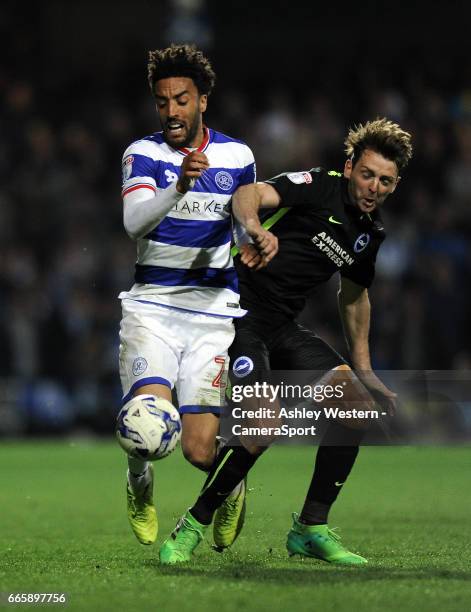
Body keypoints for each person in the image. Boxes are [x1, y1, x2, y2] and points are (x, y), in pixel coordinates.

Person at [159, 117, 413, 565]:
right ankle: (192, 525)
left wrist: (366, 371)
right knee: (263, 424)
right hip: (236, 313)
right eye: (368, 174)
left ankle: (310, 528)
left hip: (281, 326)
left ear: (395, 185)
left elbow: (354, 298)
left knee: (354, 407)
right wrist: (254, 228)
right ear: (351, 166)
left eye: (386, 181)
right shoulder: (320, 184)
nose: (374, 187)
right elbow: (247, 194)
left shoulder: (370, 234)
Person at [118, 44, 275, 548]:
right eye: (162, 101)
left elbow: (244, 220)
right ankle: (138, 483)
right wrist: (177, 189)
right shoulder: (143, 154)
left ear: (203, 100)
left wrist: (258, 236)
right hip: (152, 311)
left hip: (212, 315)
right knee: (145, 427)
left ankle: (230, 487)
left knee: (200, 451)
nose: (171, 112)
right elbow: (132, 222)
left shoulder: (238, 156)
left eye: (181, 100)